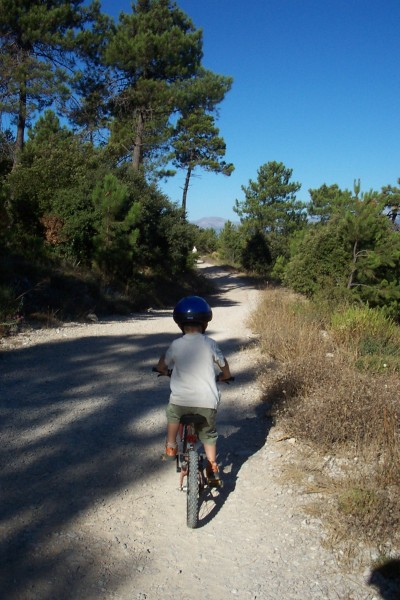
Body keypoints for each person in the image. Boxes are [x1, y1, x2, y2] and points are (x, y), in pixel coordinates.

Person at [156, 295, 232, 481]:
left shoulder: (176, 344)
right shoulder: (210, 344)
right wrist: (225, 376)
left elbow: (161, 365)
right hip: (206, 403)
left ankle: (171, 445)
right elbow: (223, 365)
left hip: (181, 401)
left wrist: (163, 371)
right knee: (208, 434)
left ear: (180, 324)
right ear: (205, 324)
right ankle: (213, 466)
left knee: (173, 413)